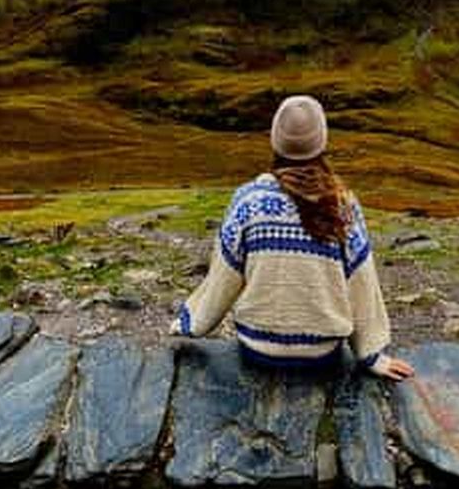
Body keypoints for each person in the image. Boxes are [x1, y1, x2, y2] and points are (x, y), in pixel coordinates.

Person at [170, 95, 414, 381]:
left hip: (257, 349)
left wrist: (190, 324)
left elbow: (223, 278)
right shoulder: (343, 205)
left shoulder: (248, 201)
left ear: (275, 142)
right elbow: (361, 281)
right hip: (322, 355)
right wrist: (371, 354)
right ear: (321, 143)